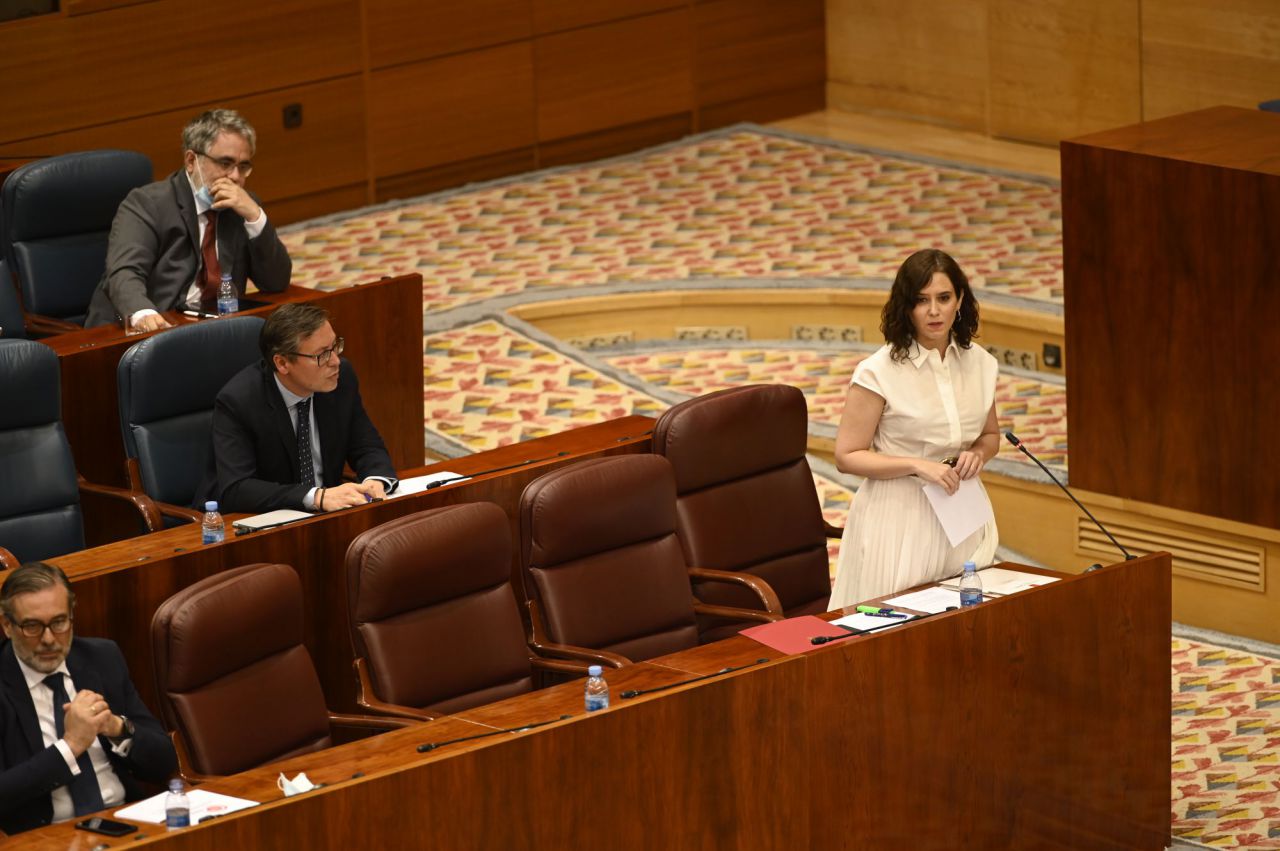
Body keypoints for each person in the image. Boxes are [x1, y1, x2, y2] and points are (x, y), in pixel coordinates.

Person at [828, 248, 1000, 608]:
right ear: (906, 306)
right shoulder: (878, 372)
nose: (934, 311)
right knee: (897, 625)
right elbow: (847, 455)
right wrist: (916, 465)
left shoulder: (981, 364)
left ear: (960, 300)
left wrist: (977, 454)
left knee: (964, 621)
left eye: (943, 298)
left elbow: (990, 436)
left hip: (960, 508)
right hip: (898, 517)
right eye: (921, 300)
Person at [0, 562, 177, 834]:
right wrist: (70, 746)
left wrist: (116, 728)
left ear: (72, 615)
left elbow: (165, 762)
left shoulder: (102, 658)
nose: (49, 639)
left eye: (59, 622)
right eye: (32, 626)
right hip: (47, 837)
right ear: (7, 625)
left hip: (125, 823)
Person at [84, 109, 291, 331]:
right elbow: (124, 273)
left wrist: (255, 217)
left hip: (214, 327)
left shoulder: (242, 207)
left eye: (243, 167)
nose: (235, 177)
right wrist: (144, 314)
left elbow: (276, 282)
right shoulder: (147, 204)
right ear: (191, 161)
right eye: (225, 163)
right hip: (144, 329)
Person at [194, 302, 397, 514]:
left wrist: (375, 480)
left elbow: (366, 446)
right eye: (322, 355)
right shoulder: (238, 401)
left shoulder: (341, 379)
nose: (336, 361)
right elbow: (238, 489)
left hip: (327, 516)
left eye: (335, 346)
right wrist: (315, 497)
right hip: (257, 519)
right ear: (282, 363)